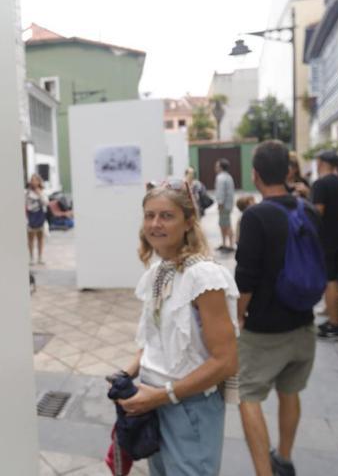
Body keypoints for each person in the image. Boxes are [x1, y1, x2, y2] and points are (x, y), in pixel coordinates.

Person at [113, 179, 239, 476]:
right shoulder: (159, 272)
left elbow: (226, 361)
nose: (155, 224)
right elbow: (153, 341)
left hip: (189, 408)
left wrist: (162, 396)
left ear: (188, 222)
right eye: (149, 215)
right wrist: (127, 374)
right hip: (152, 403)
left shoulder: (204, 277)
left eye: (166, 216)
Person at [235, 140, 321, 476]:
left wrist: (239, 314)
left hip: (265, 328)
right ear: (287, 171)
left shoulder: (256, 216)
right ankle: (283, 459)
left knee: (247, 394)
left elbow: (246, 278)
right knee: (290, 391)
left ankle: (264, 472)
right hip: (303, 322)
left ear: (255, 174)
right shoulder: (307, 208)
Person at [311, 150, 338, 340]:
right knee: (333, 278)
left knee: (330, 281)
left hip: (326, 239)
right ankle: (333, 320)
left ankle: (335, 324)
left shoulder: (320, 183)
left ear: (320, 163)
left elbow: (318, 211)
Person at [25, 173, 48, 265]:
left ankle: (40, 257)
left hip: (40, 217)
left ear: (39, 181)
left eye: (35, 180)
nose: (33, 181)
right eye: (32, 180)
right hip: (30, 217)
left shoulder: (42, 192)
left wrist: (40, 194)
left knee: (40, 238)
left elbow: (46, 203)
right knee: (30, 239)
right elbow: (25, 204)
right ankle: (31, 258)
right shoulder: (27, 192)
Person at [214, 159, 236, 251]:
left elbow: (221, 191)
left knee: (226, 224)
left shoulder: (220, 178)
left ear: (221, 167)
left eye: (217, 166)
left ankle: (230, 245)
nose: (215, 168)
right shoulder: (229, 177)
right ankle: (225, 243)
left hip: (223, 204)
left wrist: (220, 203)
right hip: (228, 204)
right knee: (223, 224)